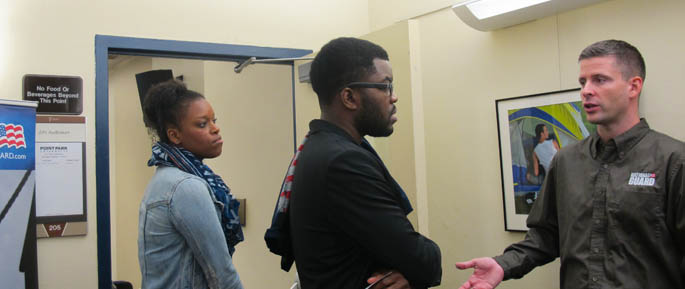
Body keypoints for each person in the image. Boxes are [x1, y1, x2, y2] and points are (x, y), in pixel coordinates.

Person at [456, 39, 685, 289]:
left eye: (600, 79)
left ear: (633, 86)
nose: (586, 90)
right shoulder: (566, 160)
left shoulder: (673, 161)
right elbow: (545, 234)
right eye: (583, 82)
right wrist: (503, 265)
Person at [267, 37, 441, 289]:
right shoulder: (343, 161)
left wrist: (406, 271)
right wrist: (413, 267)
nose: (393, 97)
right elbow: (421, 259)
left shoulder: (316, 147)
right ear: (349, 97)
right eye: (385, 86)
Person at [138, 80, 244, 289]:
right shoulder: (185, 186)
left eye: (214, 120)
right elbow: (221, 274)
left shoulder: (164, 178)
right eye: (202, 124)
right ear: (174, 135)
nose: (216, 129)